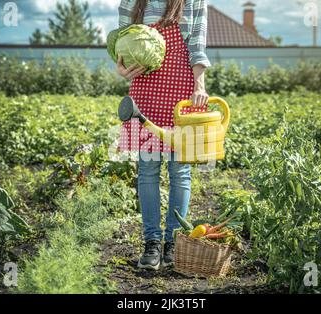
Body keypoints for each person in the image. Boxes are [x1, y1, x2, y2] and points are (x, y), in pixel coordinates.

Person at [116, 0, 210, 270]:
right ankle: (151, 243)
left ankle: (173, 242)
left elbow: (197, 45)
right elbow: (122, 43)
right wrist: (121, 69)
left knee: (180, 171)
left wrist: (199, 86)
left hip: (183, 90)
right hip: (145, 90)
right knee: (147, 170)